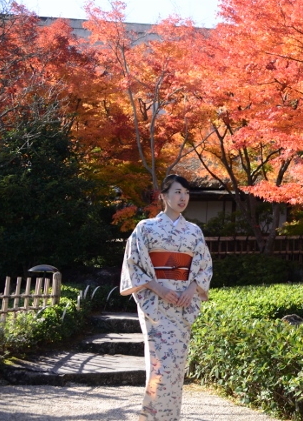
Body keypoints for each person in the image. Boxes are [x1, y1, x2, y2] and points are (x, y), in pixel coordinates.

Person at [120, 174, 213, 421]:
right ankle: (150, 417)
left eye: (187, 193)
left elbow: (204, 266)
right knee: (158, 365)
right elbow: (133, 264)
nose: (183, 198)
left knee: (175, 367)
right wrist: (159, 289)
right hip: (156, 304)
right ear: (163, 196)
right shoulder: (145, 228)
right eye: (177, 192)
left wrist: (191, 290)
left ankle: (170, 417)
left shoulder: (194, 231)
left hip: (183, 304)